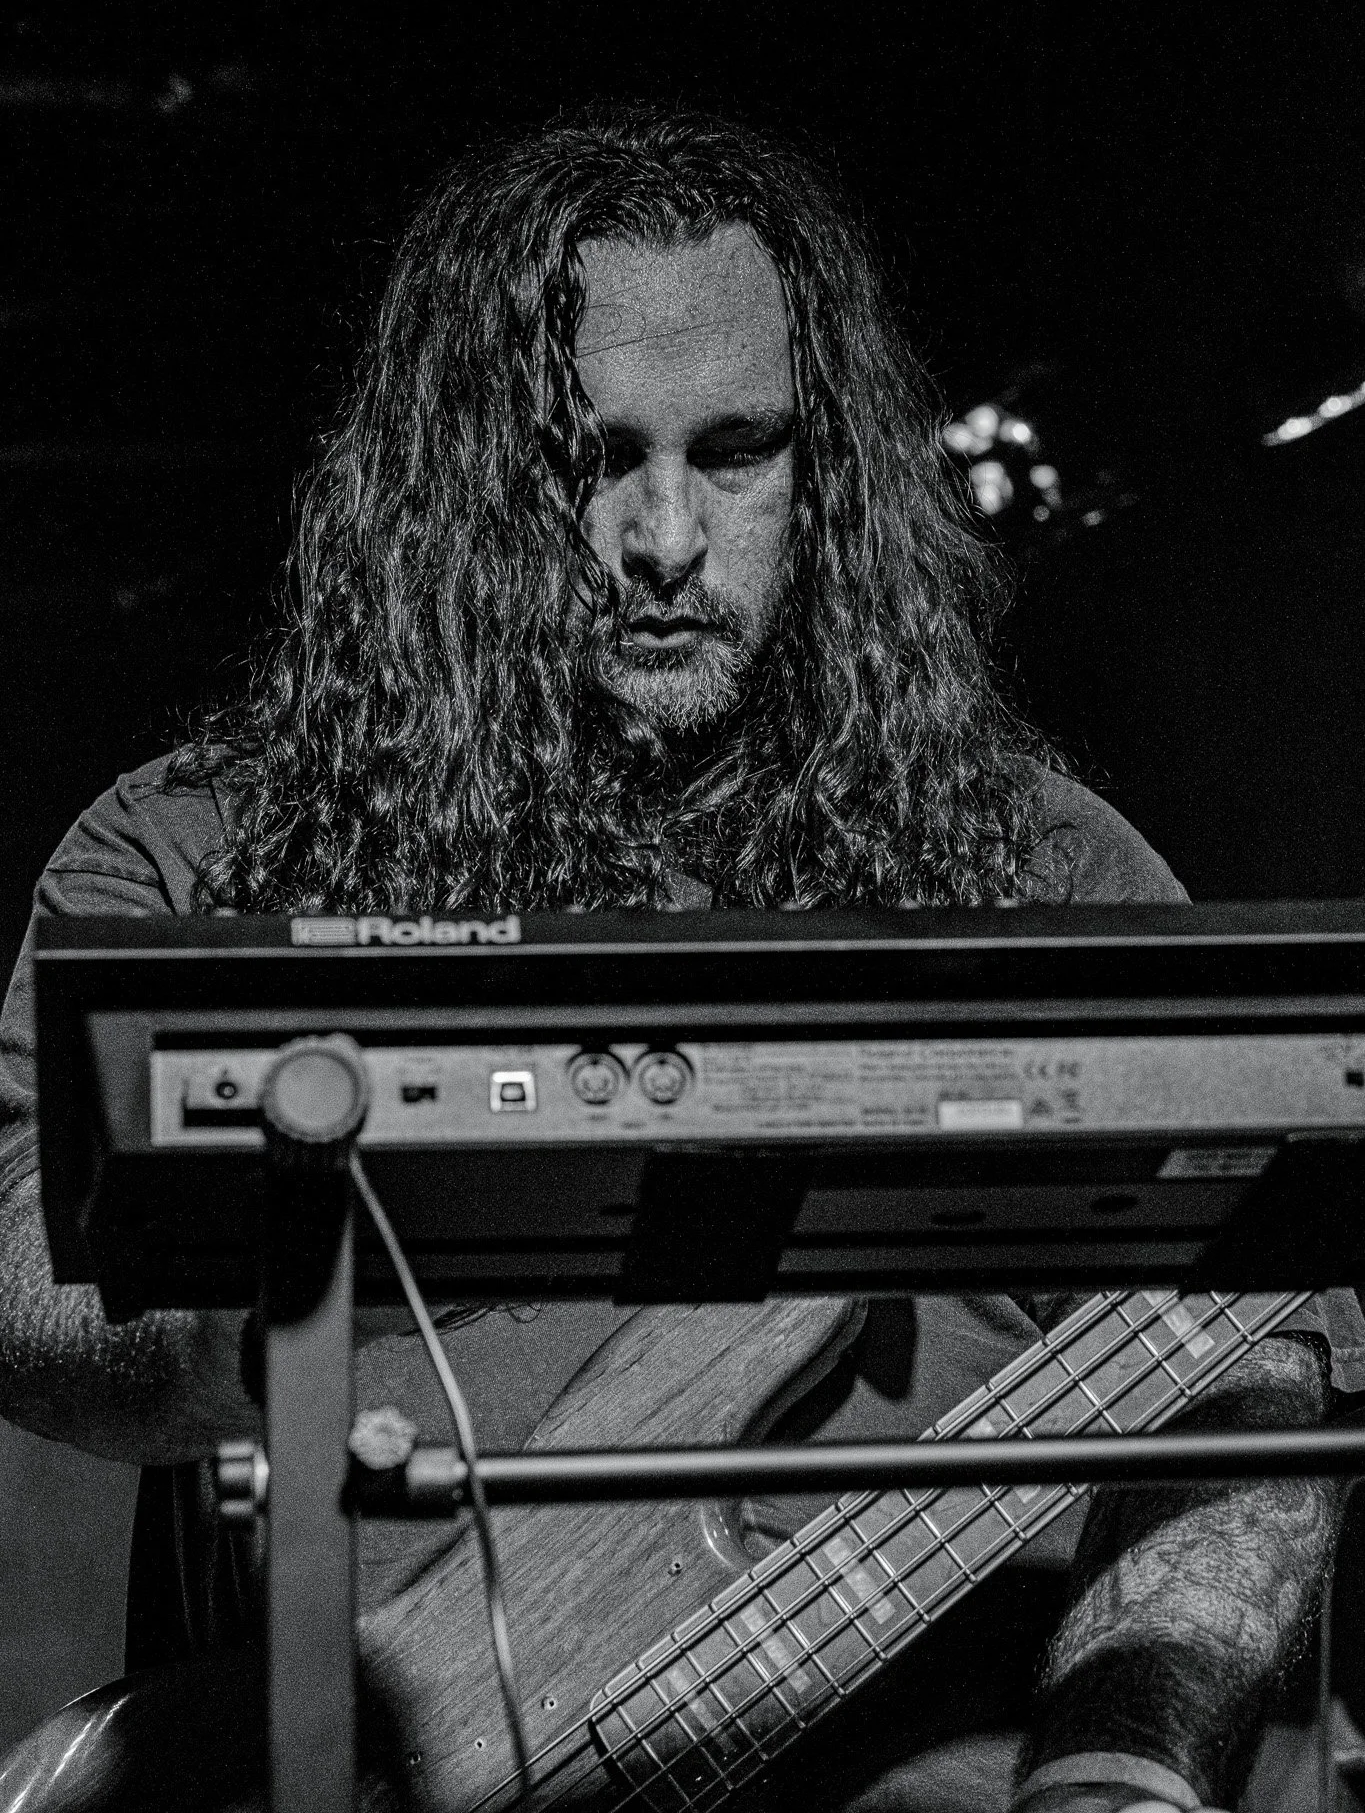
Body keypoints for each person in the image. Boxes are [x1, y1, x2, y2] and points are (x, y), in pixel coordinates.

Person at [1, 104, 1362, 1813]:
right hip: (387, 1755)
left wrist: (1117, 1764)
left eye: (736, 454)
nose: (661, 540)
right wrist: (347, 1255)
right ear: (457, 480)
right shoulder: (201, 852)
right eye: (590, 458)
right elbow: (20, 1287)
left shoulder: (1046, 871)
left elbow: (1255, 1359)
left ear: (828, 478)